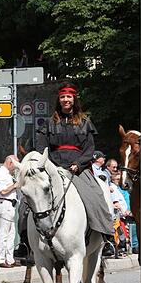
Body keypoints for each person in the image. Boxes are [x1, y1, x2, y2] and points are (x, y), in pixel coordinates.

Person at [22, 82, 114, 245]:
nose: (66, 100)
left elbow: (89, 148)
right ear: (59, 99)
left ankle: (104, 235)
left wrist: (78, 164)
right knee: (28, 199)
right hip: (53, 167)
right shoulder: (49, 123)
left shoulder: (85, 122)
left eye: (69, 97)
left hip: (78, 169)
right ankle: (25, 242)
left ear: (74, 99)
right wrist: (46, 164)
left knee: (96, 195)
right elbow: (41, 147)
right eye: (63, 97)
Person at [0, 154, 20, 268]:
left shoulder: (7, 174)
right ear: (10, 163)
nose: (15, 168)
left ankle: (10, 258)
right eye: (15, 165)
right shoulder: (0, 173)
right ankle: (0, 259)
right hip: (4, 202)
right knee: (4, 232)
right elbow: (3, 191)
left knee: (11, 232)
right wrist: (14, 185)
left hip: (10, 204)